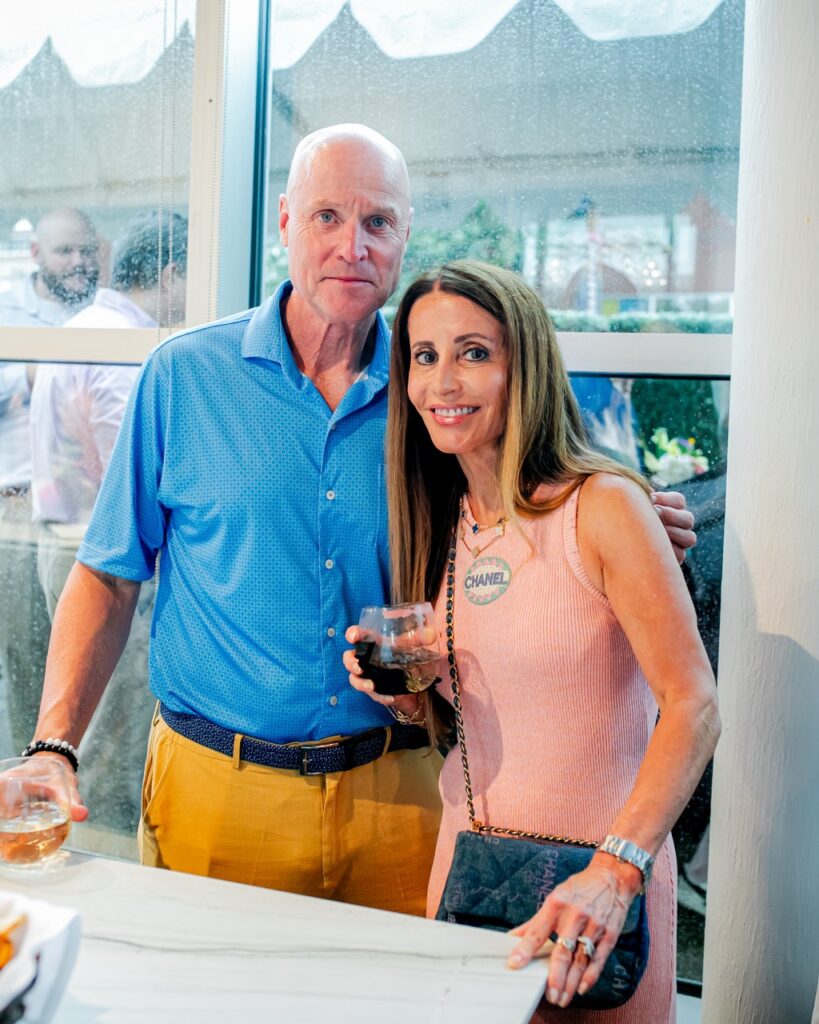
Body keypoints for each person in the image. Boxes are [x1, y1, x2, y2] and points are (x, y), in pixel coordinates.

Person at [21, 126, 695, 915]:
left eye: (377, 222)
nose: (353, 246)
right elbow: (108, 573)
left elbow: (532, 499)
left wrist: (624, 517)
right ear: (284, 222)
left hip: (408, 785)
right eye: (327, 217)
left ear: (405, 234)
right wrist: (54, 746)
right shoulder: (185, 375)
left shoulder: (435, 387)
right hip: (217, 788)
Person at [346, 259, 720, 1020]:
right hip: (470, 875)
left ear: (525, 365)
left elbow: (694, 706)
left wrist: (616, 871)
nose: (443, 382)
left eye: (473, 352)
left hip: (597, 891)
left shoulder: (604, 506)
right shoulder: (444, 522)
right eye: (425, 356)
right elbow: (491, 723)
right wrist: (411, 695)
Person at [27, 211, 188, 834]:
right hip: (106, 566)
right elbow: (132, 477)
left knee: (86, 724)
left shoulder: (82, 327)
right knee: (112, 738)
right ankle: (103, 856)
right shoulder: (129, 349)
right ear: (170, 273)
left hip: (60, 543)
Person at [0, 208, 100, 758]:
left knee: (76, 660)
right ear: (36, 255)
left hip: (78, 515)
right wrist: (36, 369)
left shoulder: (101, 312)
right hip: (16, 510)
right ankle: (28, 775)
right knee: (28, 656)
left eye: (87, 250)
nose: (79, 262)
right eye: (65, 252)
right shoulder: (8, 310)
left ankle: (68, 771)